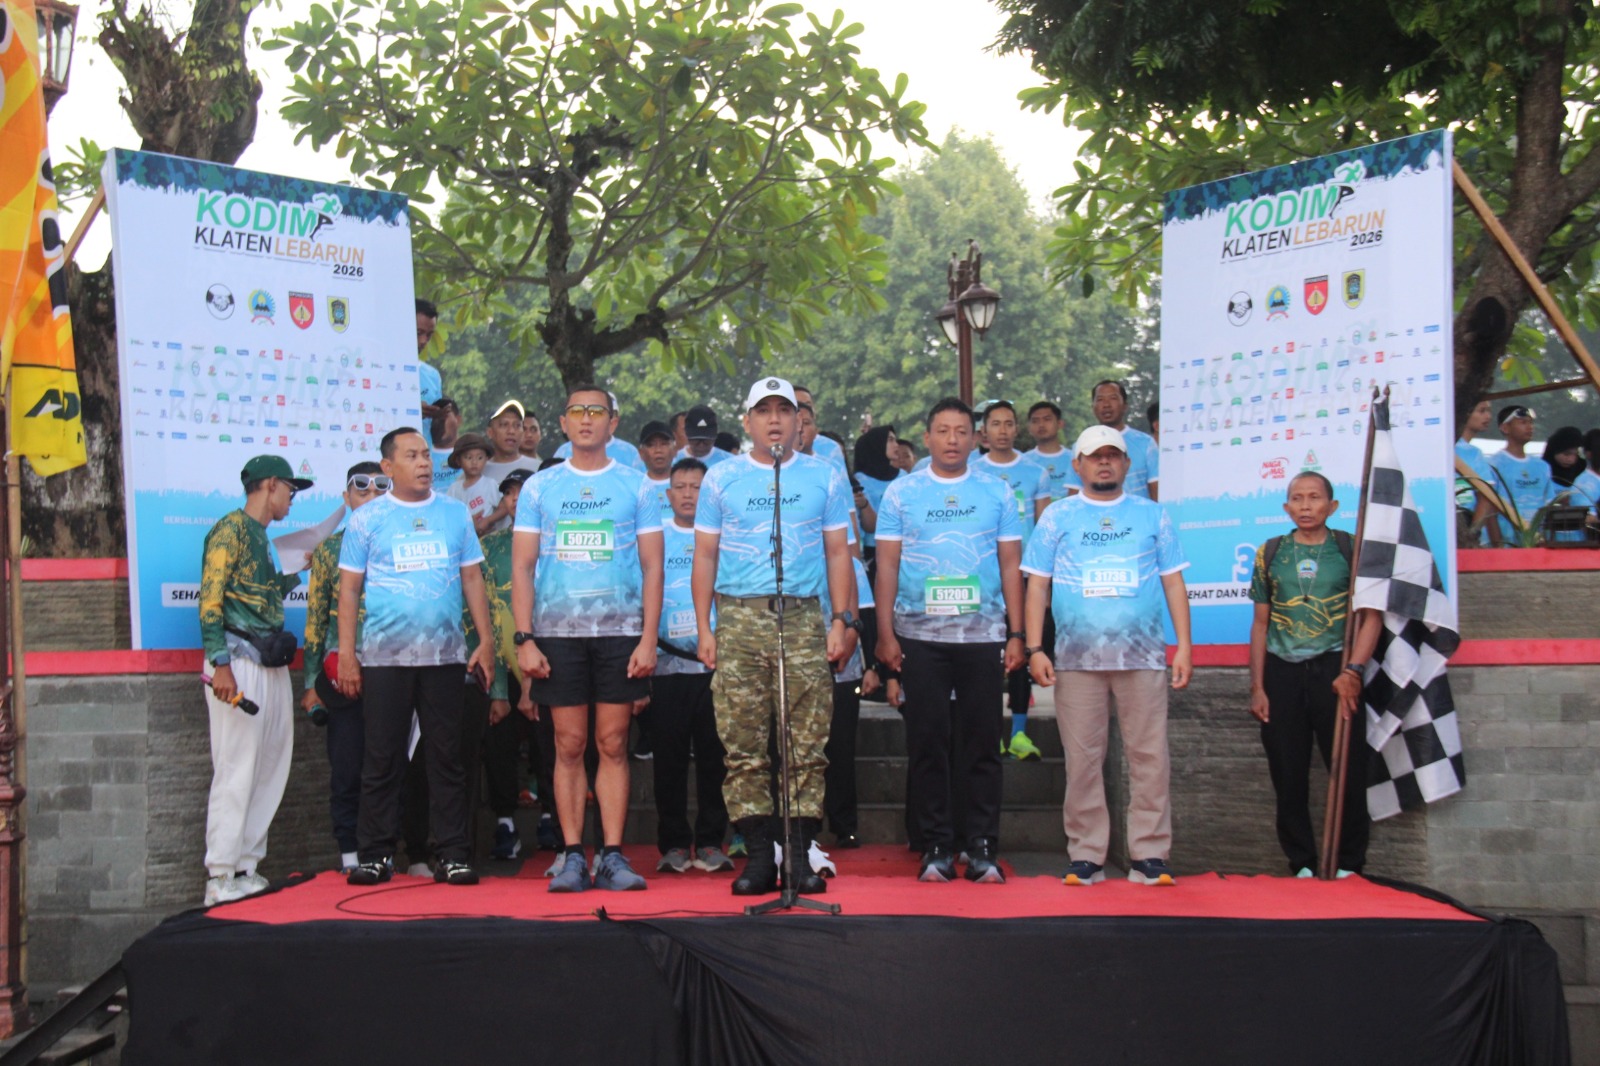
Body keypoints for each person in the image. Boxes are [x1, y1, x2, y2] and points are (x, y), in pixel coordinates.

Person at [691, 376, 857, 897]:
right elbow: (705, 555)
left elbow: (838, 552)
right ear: (747, 422)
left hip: (803, 618)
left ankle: (800, 857)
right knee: (743, 744)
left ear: (798, 420)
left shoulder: (824, 476)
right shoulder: (722, 478)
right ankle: (761, 857)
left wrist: (841, 621)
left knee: (806, 742)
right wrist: (704, 626)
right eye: (763, 411)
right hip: (740, 620)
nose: (775, 420)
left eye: (784, 410)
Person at [1023, 425, 1192, 887]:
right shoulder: (1057, 517)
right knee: (1082, 760)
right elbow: (1037, 585)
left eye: (1112, 455)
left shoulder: (1152, 515)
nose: (1104, 462)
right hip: (1077, 659)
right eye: (1094, 456)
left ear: (1126, 464)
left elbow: (1173, 582)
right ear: (1076, 465)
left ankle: (1150, 854)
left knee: (1149, 756)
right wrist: (1035, 648)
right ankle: (1086, 855)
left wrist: (1184, 646)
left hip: (1143, 656)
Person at [512, 385, 664, 893]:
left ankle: (614, 856)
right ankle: (573, 855)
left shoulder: (637, 485)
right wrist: (524, 638)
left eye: (595, 411)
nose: (585, 419)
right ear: (563, 422)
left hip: (621, 633)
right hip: (557, 634)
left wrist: (648, 639)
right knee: (569, 744)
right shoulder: (540, 487)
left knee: (613, 743)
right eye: (576, 411)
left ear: (612, 423)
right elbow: (522, 567)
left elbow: (653, 566)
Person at [337, 427, 496, 887]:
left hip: (445, 657)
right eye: (412, 456)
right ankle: (376, 854)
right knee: (382, 757)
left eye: (426, 454)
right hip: (384, 659)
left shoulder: (454, 513)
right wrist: (347, 655)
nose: (424, 463)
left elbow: (472, 578)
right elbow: (349, 590)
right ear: (388, 467)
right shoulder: (367, 519)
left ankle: (453, 854)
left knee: (446, 757)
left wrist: (485, 639)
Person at [875, 397, 1024, 884]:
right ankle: (936, 844)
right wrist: (885, 634)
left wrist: (1018, 634)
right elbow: (887, 565)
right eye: (943, 431)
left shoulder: (997, 492)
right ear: (928, 436)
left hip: (982, 637)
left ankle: (982, 846)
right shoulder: (902, 493)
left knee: (982, 744)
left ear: (975, 438)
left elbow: (1010, 566)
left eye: (961, 431)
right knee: (927, 743)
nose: (952, 440)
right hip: (920, 638)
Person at [1247, 471, 1381, 878]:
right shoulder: (1270, 552)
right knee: (1287, 773)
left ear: (1332, 506)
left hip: (1336, 671)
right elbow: (1260, 623)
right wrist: (1258, 686)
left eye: (1314, 497)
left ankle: (1350, 864)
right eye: (1297, 498)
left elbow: (1372, 617)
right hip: (1282, 673)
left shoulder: (1350, 549)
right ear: (1286, 506)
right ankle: (1302, 863)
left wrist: (1354, 670)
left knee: (1348, 770)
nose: (1305, 506)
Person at [198, 455, 312, 906]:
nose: (292, 498)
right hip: (238, 662)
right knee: (237, 766)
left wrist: (296, 572)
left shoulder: (261, 537)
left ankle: (246, 864)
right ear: (270, 485)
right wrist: (220, 664)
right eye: (290, 489)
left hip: (270, 661)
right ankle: (220, 874)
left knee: (270, 764)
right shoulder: (229, 529)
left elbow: (259, 595)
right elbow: (210, 600)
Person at [302, 461, 389, 874]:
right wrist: (310, 682)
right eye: (362, 489)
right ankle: (350, 853)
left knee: (388, 765)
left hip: (394, 669)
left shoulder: (404, 541)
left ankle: (385, 850)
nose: (371, 496)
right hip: (342, 674)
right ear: (346, 498)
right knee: (347, 764)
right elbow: (315, 620)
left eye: (380, 488)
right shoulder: (328, 551)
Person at [649, 458, 735, 874]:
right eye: (680, 487)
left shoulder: (723, 537)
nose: (688, 494)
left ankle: (712, 841)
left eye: (696, 487)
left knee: (715, 758)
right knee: (668, 760)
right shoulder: (656, 537)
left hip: (715, 666)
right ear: (668, 495)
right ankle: (674, 844)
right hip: (667, 666)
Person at [974, 401, 1049, 761]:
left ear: (1017, 429)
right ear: (983, 432)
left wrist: (1041, 577)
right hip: (986, 578)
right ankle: (991, 733)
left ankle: (1019, 732)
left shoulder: (1035, 472)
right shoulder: (973, 471)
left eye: (1008, 423)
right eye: (995, 424)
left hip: (1024, 577)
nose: (1002, 431)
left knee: (1023, 648)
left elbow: (1045, 528)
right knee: (989, 654)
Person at [479, 468, 542, 861]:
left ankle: (553, 814)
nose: (516, 499)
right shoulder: (489, 547)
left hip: (547, 660)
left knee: (551, 740)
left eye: (524, 491)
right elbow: (482, 610)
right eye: (510, 493)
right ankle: (505, 822)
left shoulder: (554, 542)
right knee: (497, 740)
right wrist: (499, 688)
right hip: (501, 661)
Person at [1062, 381, 1160, 500]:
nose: (1106, 405)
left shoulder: (1146, 443)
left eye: (1113, 398)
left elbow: (1156, 490)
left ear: (1125, 406)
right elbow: (1074, 493)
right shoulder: (1081, 445)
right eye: (1100, 399)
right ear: (1093, 407)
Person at [1488, 405, 1555, 542]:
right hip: (1508, 544)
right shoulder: (1493, 464)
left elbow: (1550, 505)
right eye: (1523, 422)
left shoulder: (1542, 466)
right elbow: (1489, 509)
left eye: (1531, 422)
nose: (1530, 427)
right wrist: (1498, 544)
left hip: (1539, 543)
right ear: (1505, 428)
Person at [553, 392, 648, 471]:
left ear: (615, 421)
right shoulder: (564, 451)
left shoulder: (629, 452)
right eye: (597, 413)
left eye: (612, 414)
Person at [1454, 399, 1501, 546]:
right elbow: (1486, 497)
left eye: (1489, 411)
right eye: (1481, 411)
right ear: (1465, 414)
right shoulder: (1472, 453)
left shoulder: (1474, 452)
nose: (1488, 416)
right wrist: (1473, 533)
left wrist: (1471, 533)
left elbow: (1486, 497)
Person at [852, 425, 899, 560]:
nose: (896, 445)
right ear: (877, 444)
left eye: (895, 440)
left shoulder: (903, 477)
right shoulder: (860, 480)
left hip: (904, 546)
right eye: (890, 440)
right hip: (873, 549)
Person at [444, 432, 504, 534]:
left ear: (486, 459)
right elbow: (448, 515)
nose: (474, 462)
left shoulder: (490, 484)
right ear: (458, 461)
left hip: (487, 537)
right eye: (468, 458)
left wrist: (488, 520)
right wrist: (467, 523)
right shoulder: (454, 489)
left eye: (480, 458)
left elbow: (504, 508)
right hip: (463, 537)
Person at [1024, 401, 1074, 502]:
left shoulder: (1074, 459)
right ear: (1029, 428)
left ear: (1060, 424)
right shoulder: (1024, 462)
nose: (1041, 425)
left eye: (1047, 419)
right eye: (1035, 421)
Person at [481, 399, 539, 486]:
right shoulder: (477, 472)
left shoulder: (538, 469)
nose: (511, 431)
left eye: (517, 425)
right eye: (504, 425)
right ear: (490, 432)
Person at [637, 419, 677, 517]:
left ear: (675, 450)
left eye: (664, 444)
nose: (658, 450)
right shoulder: (634, 487)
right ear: (641, 453)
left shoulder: (688, 486)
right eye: (651, 445)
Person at [416, 298, 443, 441]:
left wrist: (441, 416)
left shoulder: (432, 375)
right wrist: (413, 411)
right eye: (418, 332)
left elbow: (438, 435)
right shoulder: (379, 369)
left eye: (429, 335)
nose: (423, 341)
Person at [430, 398, 463, 493]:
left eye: (444, 416)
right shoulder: (423, 458)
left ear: (458, 420)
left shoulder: (473, 454)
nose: (439, 422)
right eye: (435, 418)